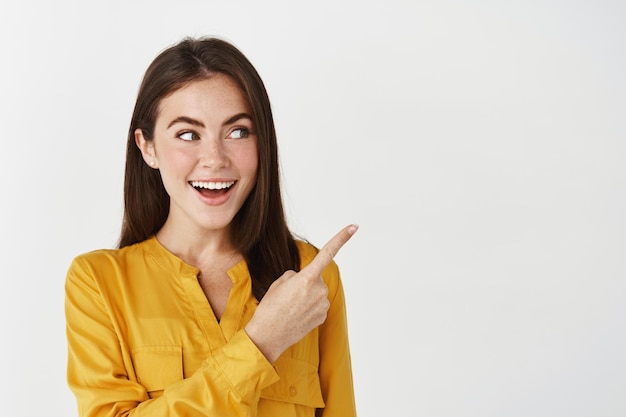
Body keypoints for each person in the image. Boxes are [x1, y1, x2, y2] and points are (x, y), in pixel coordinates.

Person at [64, 36, 358, 417]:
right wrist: (261, 343)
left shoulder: (310, 276)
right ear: (147, 147)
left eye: (238, 132)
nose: (215, 159)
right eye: (188, 134)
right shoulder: (99, 283)